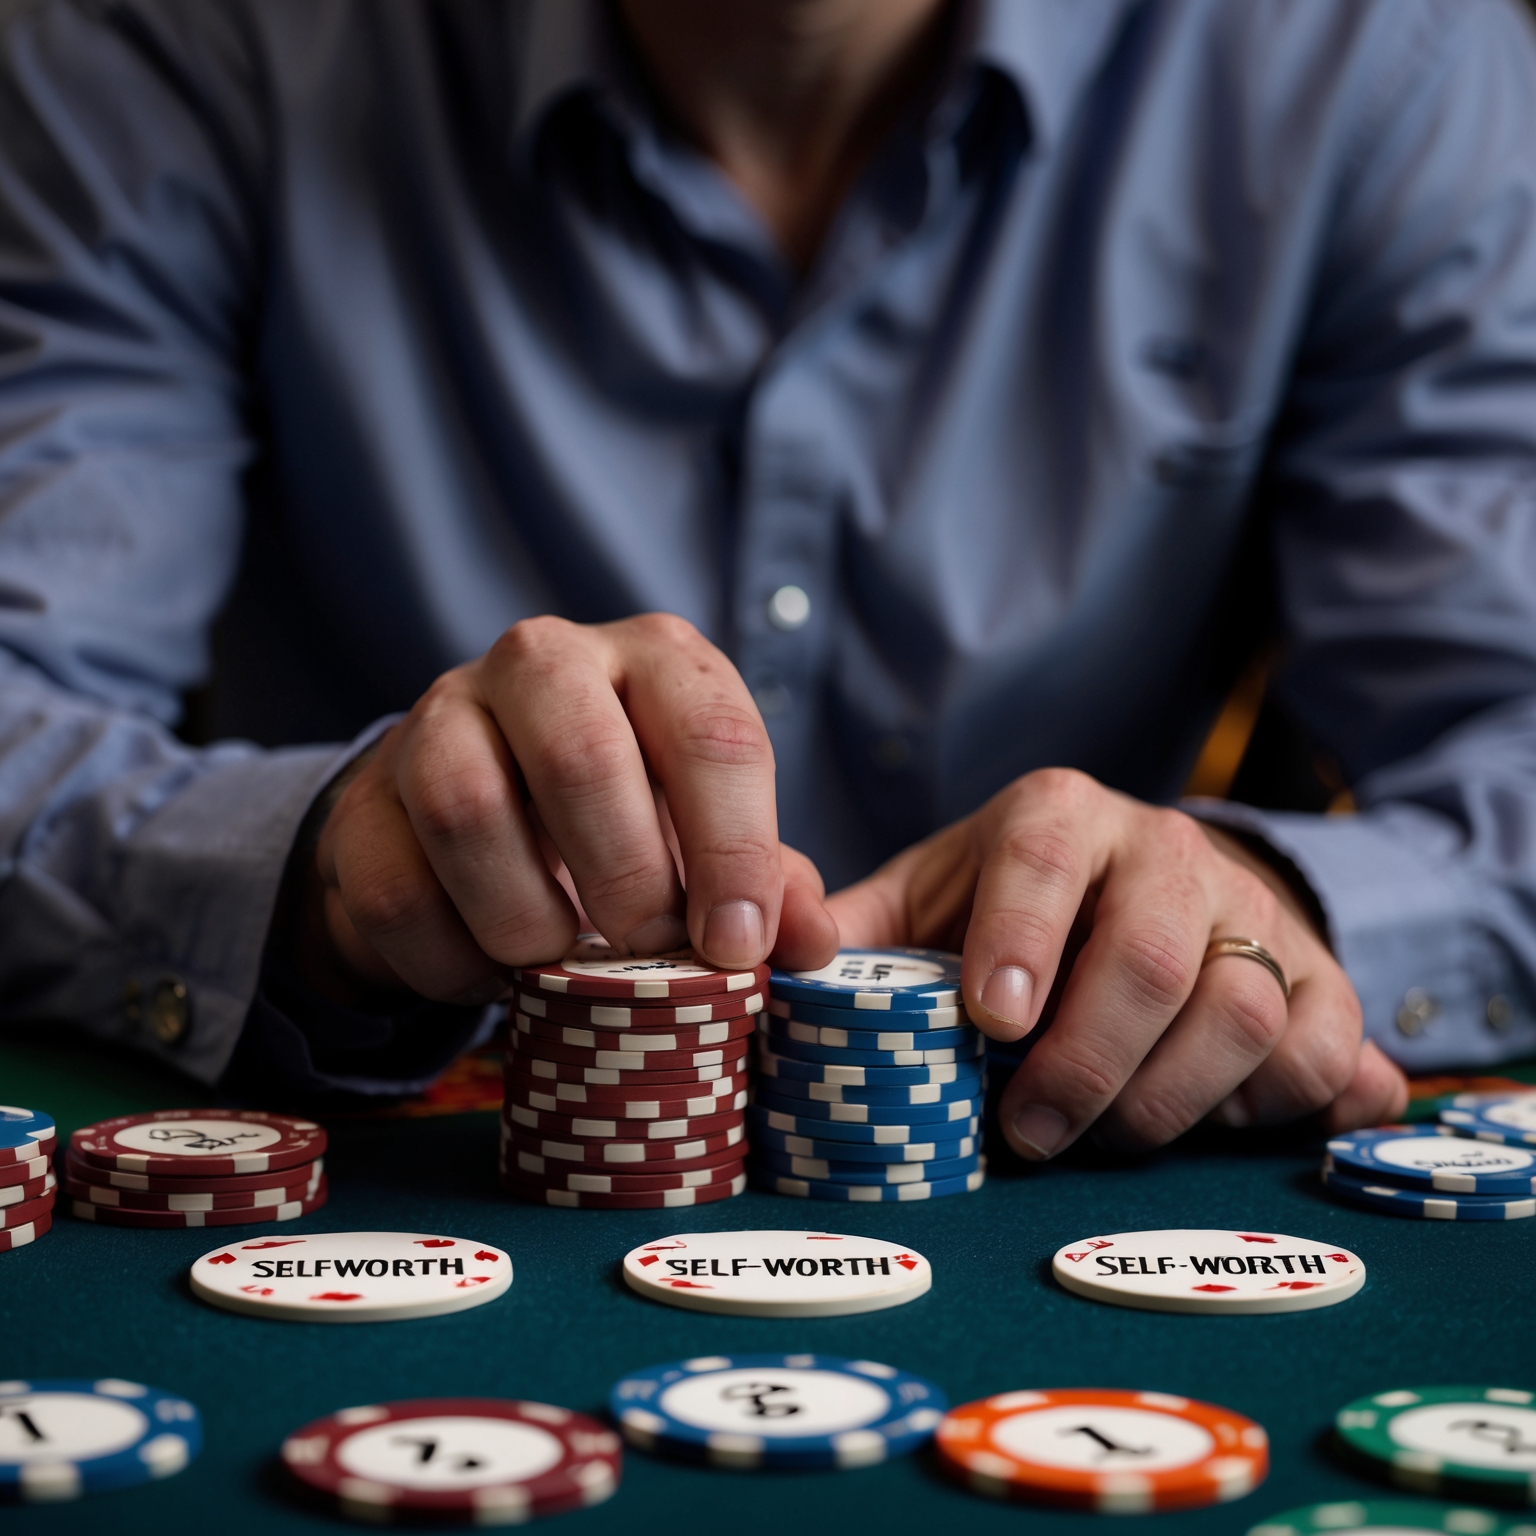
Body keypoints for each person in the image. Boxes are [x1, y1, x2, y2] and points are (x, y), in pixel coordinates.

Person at [3, 0, 1535, 1161]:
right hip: (426, 1175)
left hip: (1056, 1166)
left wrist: (1271, 906)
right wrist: (315, 869)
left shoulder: (1375, 54)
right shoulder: (157, 39)